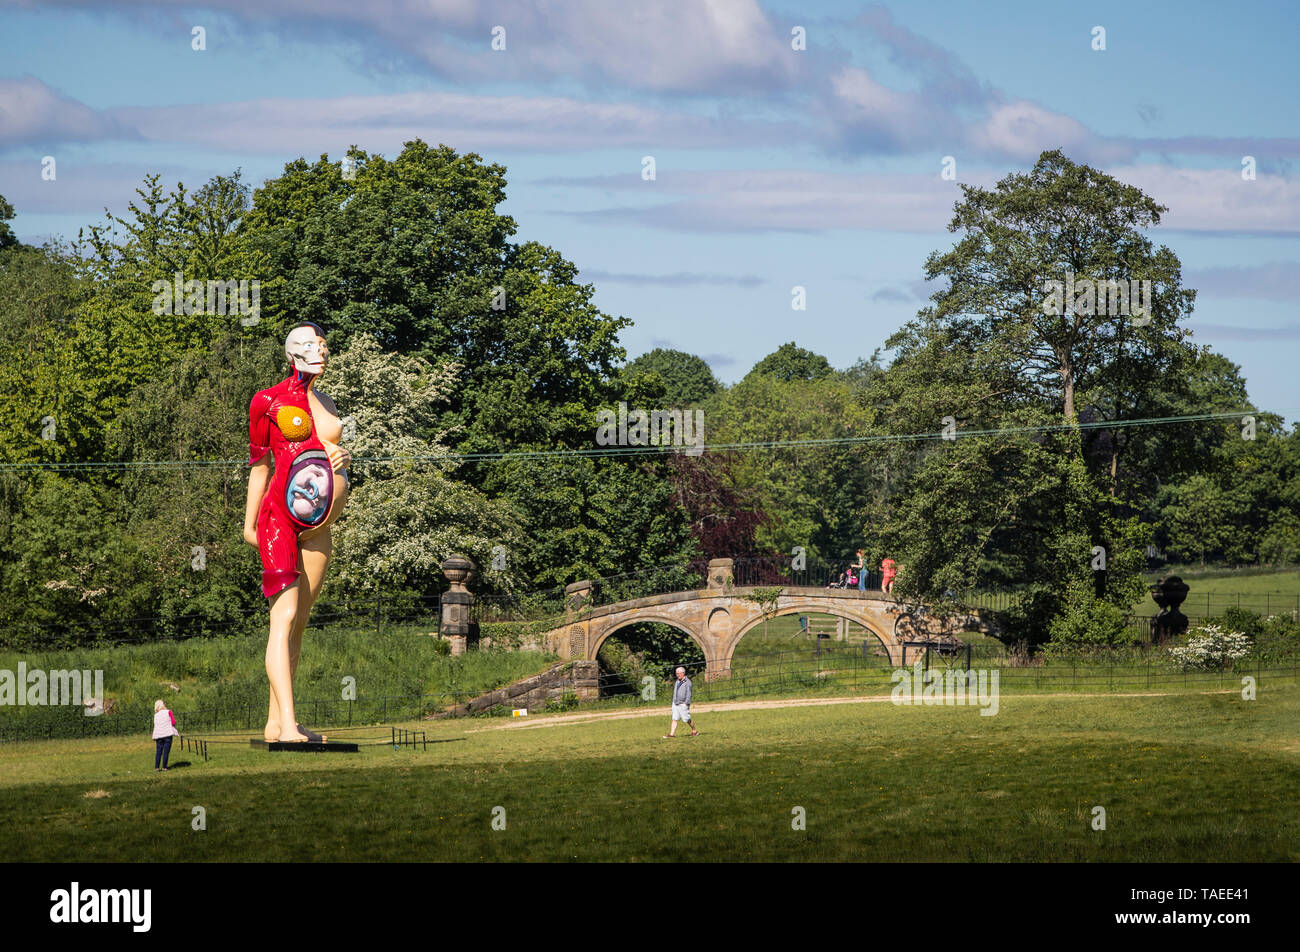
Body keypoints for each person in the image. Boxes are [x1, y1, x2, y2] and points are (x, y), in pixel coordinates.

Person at [244, 323, 351, 743]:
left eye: (323, 345)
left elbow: (314, 451)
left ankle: (278, 720)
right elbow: (260, 465)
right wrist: (249, 524)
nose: (319, 352)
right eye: (309, 345)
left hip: (320, 525)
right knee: (282, 618)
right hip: (280, 521)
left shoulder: (325, 401)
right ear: (291, 353)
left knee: (300, 623)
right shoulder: (267, 400)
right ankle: (287, 725)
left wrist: (337, 456)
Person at [663, 666, 700, 738]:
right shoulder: (677, 681)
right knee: (674, 718)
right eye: (676, 673)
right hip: (676, 703)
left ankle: (694, 731)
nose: (677, 675)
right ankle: (672, 734)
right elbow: (675, 692)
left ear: (683, 673)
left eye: (678, 673)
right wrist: (674, 701)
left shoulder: (688, 682)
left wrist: (686, 703)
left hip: (683, 703)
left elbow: (689, 693)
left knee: (686, 719)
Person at [152, 699, 178, 771]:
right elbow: (173, 722)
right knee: (166, 751)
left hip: (158, 735)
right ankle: (164, 767)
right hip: (167, 734)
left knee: (158, 751)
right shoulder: (168, 712)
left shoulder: (156, 715)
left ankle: (157, 767)